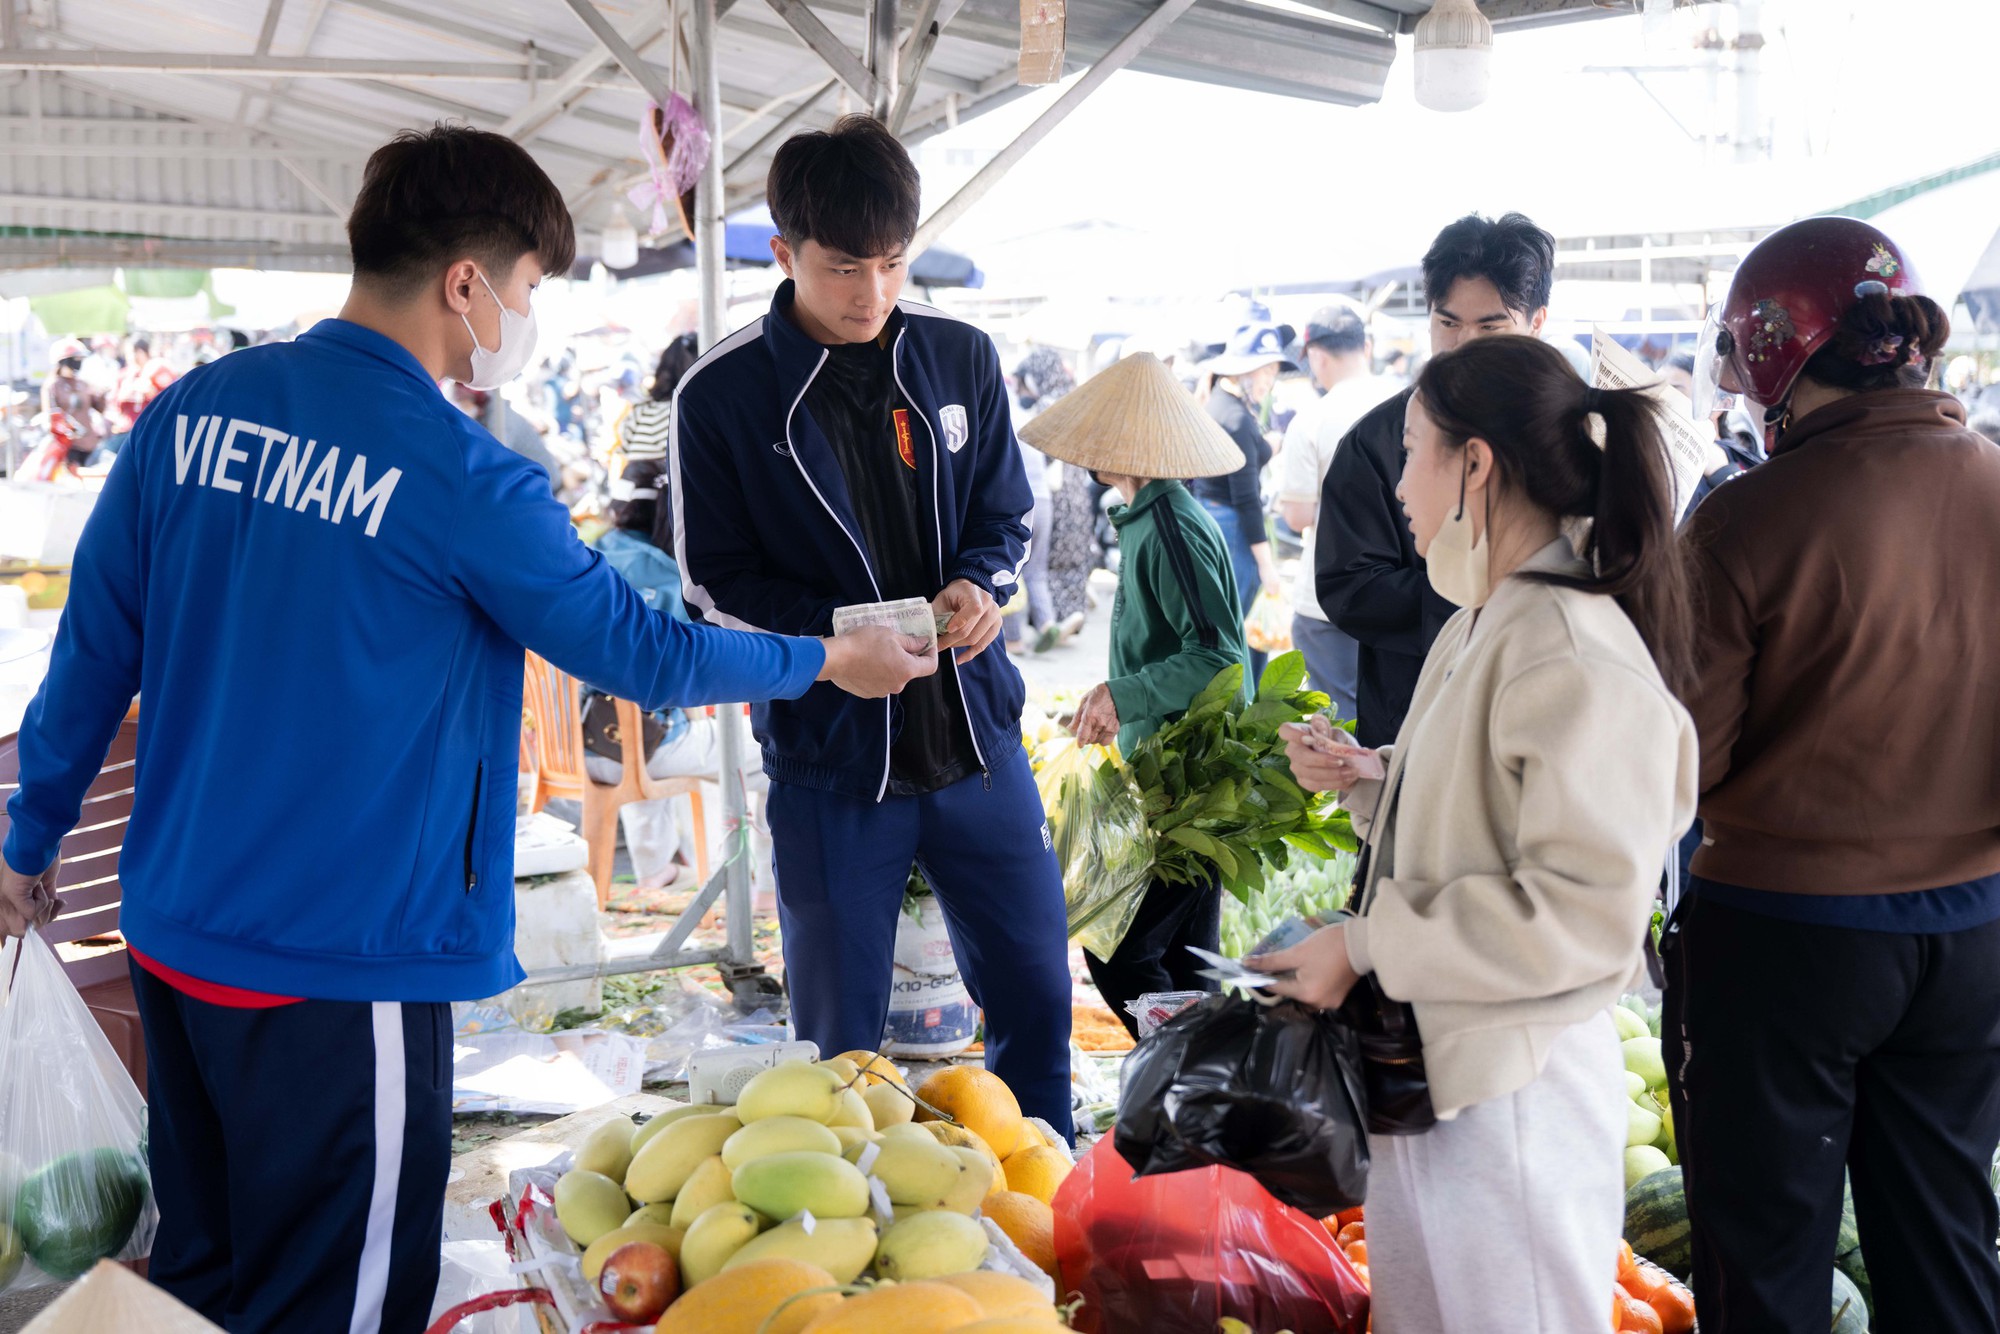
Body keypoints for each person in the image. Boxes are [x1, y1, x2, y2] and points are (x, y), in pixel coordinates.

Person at [0, 123, 932, 1334]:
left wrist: (24, 846)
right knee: (342, 1299)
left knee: (207, 1280)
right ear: (464, 285)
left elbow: (90, 658)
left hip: (175, 940)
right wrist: (824, 656)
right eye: (529, 287)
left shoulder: (194, 413)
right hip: (344, 967)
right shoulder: (456, 470)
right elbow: (638, 648)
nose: (526, 313)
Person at [1259, 334, 1697, 1334]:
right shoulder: (1482, 617)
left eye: (1409, 450)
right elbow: (1494, 823)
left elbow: (1579, 915)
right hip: (1438, 1068)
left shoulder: (1568, 647)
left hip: (1514, 1096)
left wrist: (1359, 942)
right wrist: (1378, 782)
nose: (1392, 482)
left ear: (1475, 464)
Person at [671, 115, 1075, 1136]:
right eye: (844, 267)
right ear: (784, 252)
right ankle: (855, 1243)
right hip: (831, 760)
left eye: (891, 264)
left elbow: (1004, 514)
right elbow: (711, 583)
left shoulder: (957, 356)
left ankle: (1042, 1195)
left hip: (976, 743)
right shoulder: (720, 395)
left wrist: (981, 582)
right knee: (840, 1043)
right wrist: (832, 650)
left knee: (1035, 986)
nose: (872, 294)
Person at [1671, 217, 2000, 1334]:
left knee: (1764, 1263)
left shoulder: (1746, 518)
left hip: (1782, 938)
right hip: (1971, 933)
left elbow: (1680, 756)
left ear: (1768, 357)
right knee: (1946, 1241)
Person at [1024, 353, 1250, 1033]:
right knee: (1186, 959)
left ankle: (1181, 1081)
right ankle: (1199, 1100)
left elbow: (1218, 656)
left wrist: (1124, 693)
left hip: (1190, 780)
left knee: (1121, 952)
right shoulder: (1148, 518)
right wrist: (1108, 698)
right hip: (1168, 769)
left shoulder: (1172, 526)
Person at [1316, 212, 1557, 747]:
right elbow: (1348, 584)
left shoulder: (1567, 427)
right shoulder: (1375, 441)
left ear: (1537, 323)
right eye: (1448, 323)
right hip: (1417, 711)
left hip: (1544, 704)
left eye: (1491, 327)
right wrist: (1478, 594)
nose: (1464, 345)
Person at [1275, 304, 1390, 721]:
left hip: (1329, 596)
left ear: (1317, 356)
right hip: (1400, 591)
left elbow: (1298, 517)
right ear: (1367, 347)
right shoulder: (1409, 404)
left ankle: (1349, 791)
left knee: (1339, 724)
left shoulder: (1312, 419)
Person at [1194, 324, 1287, 679]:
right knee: (1242, 628)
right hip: (1233, 528)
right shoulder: (1235, 417)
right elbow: (1246, 497)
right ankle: (1245, 702)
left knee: (1228, 624)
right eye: (1268, 372)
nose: (1270, 380)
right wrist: (1267, 565)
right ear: (1247, 371)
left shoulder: (1219, 403)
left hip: (1215, 518)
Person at [1016, 346, 1094, 641]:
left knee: (1041, 563)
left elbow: (1037, 454)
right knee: (1069, 562)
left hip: (1052, 496)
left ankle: (1044, 625)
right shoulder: (1074, 401)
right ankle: (1063, 620)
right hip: (1078, 496)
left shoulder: (1042, 408)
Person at [447, 381, 561, 492]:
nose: (461, 407)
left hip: (545, 486)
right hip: (533, 482)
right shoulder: (487, 416)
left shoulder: (501, 420)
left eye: (463, 402)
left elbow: (491, 459)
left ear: (475, 400)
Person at [41, 336, 108, 466]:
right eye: (75, 359)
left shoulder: (83, 384)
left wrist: (102, 395)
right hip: (67, 449)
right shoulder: (53, 386)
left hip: (89, 445)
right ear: (63, 361)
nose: (78, 363)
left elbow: (99, 407)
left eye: (80, 360)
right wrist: (69, 430)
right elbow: (51, 417)